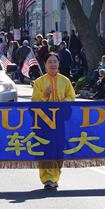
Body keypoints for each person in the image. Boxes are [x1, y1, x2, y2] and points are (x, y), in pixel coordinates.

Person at [32, 52, 76, 190]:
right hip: (43, 123)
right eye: (49, 62)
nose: (52, 64)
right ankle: (47, 179)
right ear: (45, 65)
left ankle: (55, 176)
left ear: (58, 64)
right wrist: (45, 94)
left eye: (55, 61)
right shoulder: (39, 82)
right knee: (46, 150)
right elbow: (34, 102)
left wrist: (63, 104)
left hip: (60, 122)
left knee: (58, 151)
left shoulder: (65, 81)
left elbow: (71, 97)